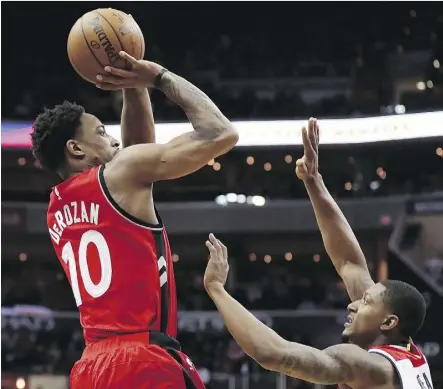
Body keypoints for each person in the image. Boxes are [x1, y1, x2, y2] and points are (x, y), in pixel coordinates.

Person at [32, 50, 238, 389]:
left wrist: (134, 87)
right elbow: (221, 133)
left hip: (90, 368)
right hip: (142, 361)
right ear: (76, 149)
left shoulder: (57, 209)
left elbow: (137, 159)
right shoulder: (121, 174)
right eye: (100, 132)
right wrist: (158, 76)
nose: (113, 139)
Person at [202, 119, 433, 389]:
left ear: (389, 322)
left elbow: (274, 354)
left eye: (366, 302)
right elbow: (349, 262)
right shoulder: (408, 356)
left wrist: (216, 288)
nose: (353, 303)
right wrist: (314, 182)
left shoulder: (366, 365)